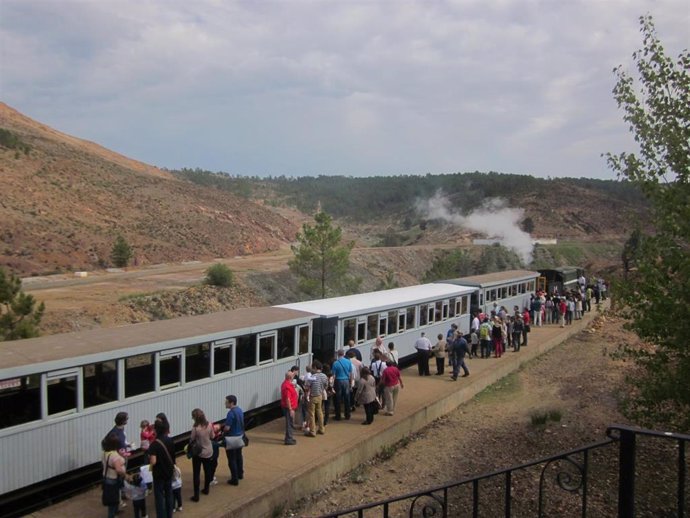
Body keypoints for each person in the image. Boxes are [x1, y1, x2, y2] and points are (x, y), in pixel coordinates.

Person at [148, 418, 175, 518]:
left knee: (159, 497)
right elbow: (173, 456)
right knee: (169, 494)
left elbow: (153, 461)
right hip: (169, 471)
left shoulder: (154, 445)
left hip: (159, 473)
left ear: (156, 430)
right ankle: (169, 515)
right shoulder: (169, 440)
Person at [189, 408, 215, 501]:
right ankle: (206, 489)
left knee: (196, 473)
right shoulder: (209, 425)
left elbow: (191, 439)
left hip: (198, 452)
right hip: (208, 451)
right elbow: (213, 436)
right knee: (207, 471)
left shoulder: (195, 428)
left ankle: (196, 496)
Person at [102, 433, 127, 518]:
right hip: (114, 479)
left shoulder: (106, 453)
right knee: (113, 500)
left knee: (113, 498)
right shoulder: (114, 456)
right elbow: (118, 469)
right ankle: (112, 515)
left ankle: (115, 512)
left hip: (107, 477)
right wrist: (125, 475)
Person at [223, 395, 245, 486]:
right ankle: (240, 474)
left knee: (231, 459)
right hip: (240, 437)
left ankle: (234, 478)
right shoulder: (240, 410)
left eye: (226, 402)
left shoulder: (230, 413)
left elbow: (227, 428)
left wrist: (222, 429)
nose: (225, 403)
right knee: (239, 456)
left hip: (232, 439)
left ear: (231, 403)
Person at [304, 361, 328, 436]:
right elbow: (326, 386)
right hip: (320, 396)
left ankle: (312, 431)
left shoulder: (312, 377)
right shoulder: (324, 376)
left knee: (311, 414)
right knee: (320, 412)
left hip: (313, 396)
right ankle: (321, 429)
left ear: (314, 367)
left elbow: (307, 387)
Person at [331, 349, 353, 421]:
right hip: (346, 380)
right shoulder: (348, 362)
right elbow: (351, 374)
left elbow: (333, 375)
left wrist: (332, 385)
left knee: (338, 399)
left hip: (338, 381)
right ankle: (347, 415)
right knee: (347, 398)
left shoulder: (335, 363)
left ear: (338, 354)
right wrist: (351, 383)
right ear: (343, 354)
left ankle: (338, 416)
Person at [280, 371, 298, 445]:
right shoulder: (287, 387)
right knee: (289, 423)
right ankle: (289, 439)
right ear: (290, 377)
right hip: (288, 408)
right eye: (292, 375)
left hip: (288, 407)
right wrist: (290, 409)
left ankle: (288, 437)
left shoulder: (285, 383)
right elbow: (288, 399)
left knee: (289, 422)